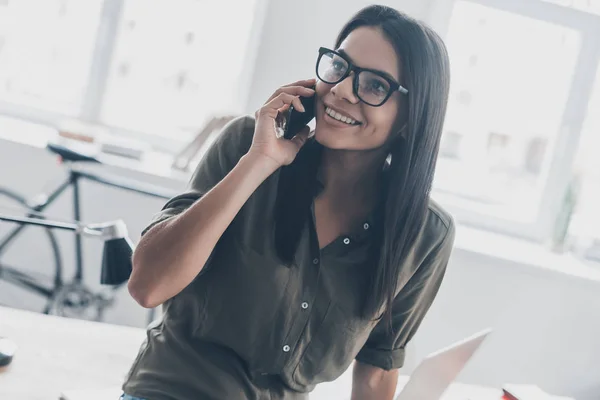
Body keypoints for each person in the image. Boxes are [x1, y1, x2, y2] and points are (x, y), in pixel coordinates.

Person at [123, 4, 454, 400]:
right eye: (339, 66)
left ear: (411, 118)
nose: (342, 90)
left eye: (375, 86)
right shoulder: (247, 146)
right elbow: (147, 285)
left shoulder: (424, 234)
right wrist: (258, 164)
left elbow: (376, 369)